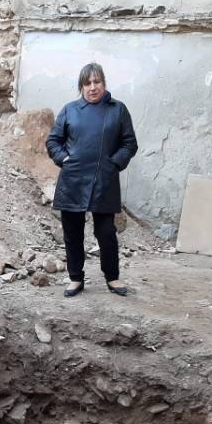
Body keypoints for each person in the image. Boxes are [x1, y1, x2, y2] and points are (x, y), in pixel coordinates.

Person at [45, 62, 138, 297]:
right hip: (73, 181)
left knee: (106, 232)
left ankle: (112, 277)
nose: (92, 87)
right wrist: (64, 159)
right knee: (72, 232)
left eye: (97, 82)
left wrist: (114, 163)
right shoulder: (70, 110)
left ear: (104, 84)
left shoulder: (118, 110)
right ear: (81, 87)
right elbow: (53, 141)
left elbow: (129, 143)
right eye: (87, 83)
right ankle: (75, 278)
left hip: (104, 182)